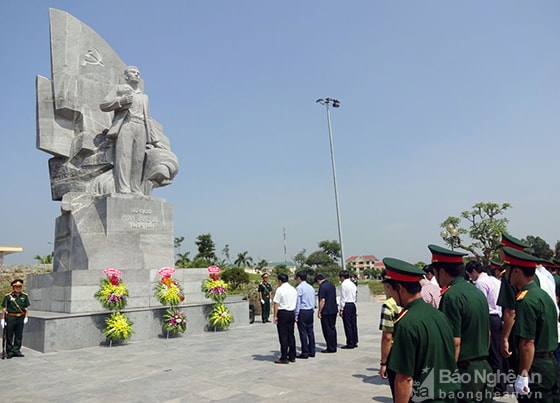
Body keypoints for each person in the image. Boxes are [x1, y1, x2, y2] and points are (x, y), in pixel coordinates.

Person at [383, 257, 459, 402]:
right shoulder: (439, 315)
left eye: (390, 290)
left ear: (400, 288)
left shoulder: (406, 323)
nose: (391, 296)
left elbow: (404, 378)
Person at [429, 244, 494, 402]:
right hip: (484, 366)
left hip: (465, 372)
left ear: (442, 271)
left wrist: (447, 376)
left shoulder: (451, 296)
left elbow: (454, 342)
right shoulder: (476, 292)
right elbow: (488, 333)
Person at [501, 246, 560, 401]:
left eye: (508, 270)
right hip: (550, 363)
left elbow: (527, 343)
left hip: (535, 365)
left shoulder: (526, 301)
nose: (506, 275)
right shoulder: (542, 296)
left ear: (517, 272)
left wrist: (523, 374)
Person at [100, 66, 159, 195]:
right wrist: (121, 101)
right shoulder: (119, 89)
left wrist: (155, 139)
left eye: (138, 73)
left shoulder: (144, 97)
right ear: (126, 76)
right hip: (126, 124)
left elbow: (148, 117)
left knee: (138, 160)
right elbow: (104, 105)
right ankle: (123, 188)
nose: (137, 74)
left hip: (141, 127)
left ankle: (136, 188)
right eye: (133, 72)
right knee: (124, 157)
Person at [465, 260, 507, 395]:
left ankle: (498, 386)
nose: (471, 278)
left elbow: (480, 304)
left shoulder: (480, 283)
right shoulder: (494, 280)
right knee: (498, 353)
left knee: (492, 353)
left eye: (470, 275)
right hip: (497, 317)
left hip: (488, 317)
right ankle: (502, 383)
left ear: (473, 272)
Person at [378, 275, 401, 399]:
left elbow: (387, 337)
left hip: (396, 354)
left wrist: (383, 363)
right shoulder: (415, 301)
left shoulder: (388, 306)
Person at [1, 279, 30, 359]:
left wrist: (26, 317)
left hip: (20, 317)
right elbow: (4, 308)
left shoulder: (24, 296)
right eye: (16, 287)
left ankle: (16, 350)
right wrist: (3, 319)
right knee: (9, 335)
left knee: (19, 335)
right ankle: (9, 351)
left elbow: (26, 308)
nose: (18, 288)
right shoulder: (8, 296)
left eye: (20, 287)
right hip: (11, 317)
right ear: (13, 287)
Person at [272, 273, 297, 364]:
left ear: (280, 281)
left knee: (283, 335)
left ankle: (284, 356)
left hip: (283, 313)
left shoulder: (280, 289)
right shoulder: (293, 289)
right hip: (291, 312)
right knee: (291, 334)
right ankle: (292, 355)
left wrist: (275, 316)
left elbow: (276, 303)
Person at [314, 274, 338, 353]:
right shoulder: (331, 285)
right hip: (333, 310)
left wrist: (319, 311)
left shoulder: (322, 287)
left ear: (318, 281)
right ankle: (333, 345)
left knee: (327, 329)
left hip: (326, 311)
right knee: (332, 328)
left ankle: (330, 347)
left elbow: (322, 300)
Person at [294, 272, 316, 359]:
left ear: (299, 278)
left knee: (303, 332)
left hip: (302, 311)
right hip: (310, 310)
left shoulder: (299, 288)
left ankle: (305, 352)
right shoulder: (311, 287)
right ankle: (312, 350)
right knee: (310, 331)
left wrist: (296, 314)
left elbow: (298, 302)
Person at [338, 270, 358, 349]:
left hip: (346, 305)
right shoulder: (353, 284)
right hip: (353, 304)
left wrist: (341, 309)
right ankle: (355, 340)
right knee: (353, 324)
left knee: (348, 325)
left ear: (342, 277)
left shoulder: (343, 285)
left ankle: (350, 342)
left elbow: (343, 298)